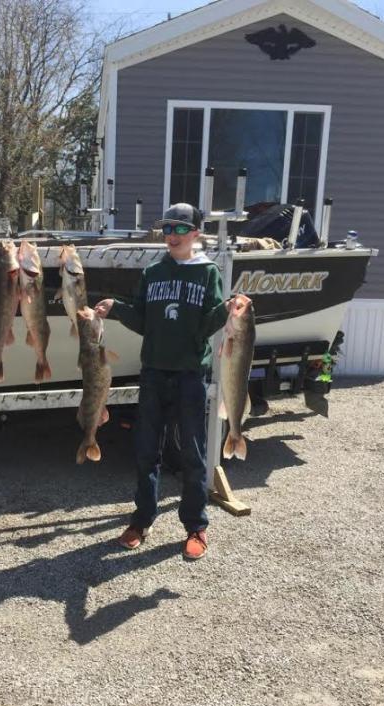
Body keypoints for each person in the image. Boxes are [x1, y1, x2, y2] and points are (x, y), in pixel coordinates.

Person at [95, 202, 249, 560]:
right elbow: (144, 319)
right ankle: (142, 520)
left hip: (190, 374)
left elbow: (207, 324)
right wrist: (114, 309)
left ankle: (196, 525)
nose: (172, 236)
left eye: (180, 229)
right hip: (153, 372)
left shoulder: (208, 272)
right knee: (147, 451)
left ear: (196, 233)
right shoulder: (152, 272)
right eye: (167, 228)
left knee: (193, 454)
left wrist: (229, 310)